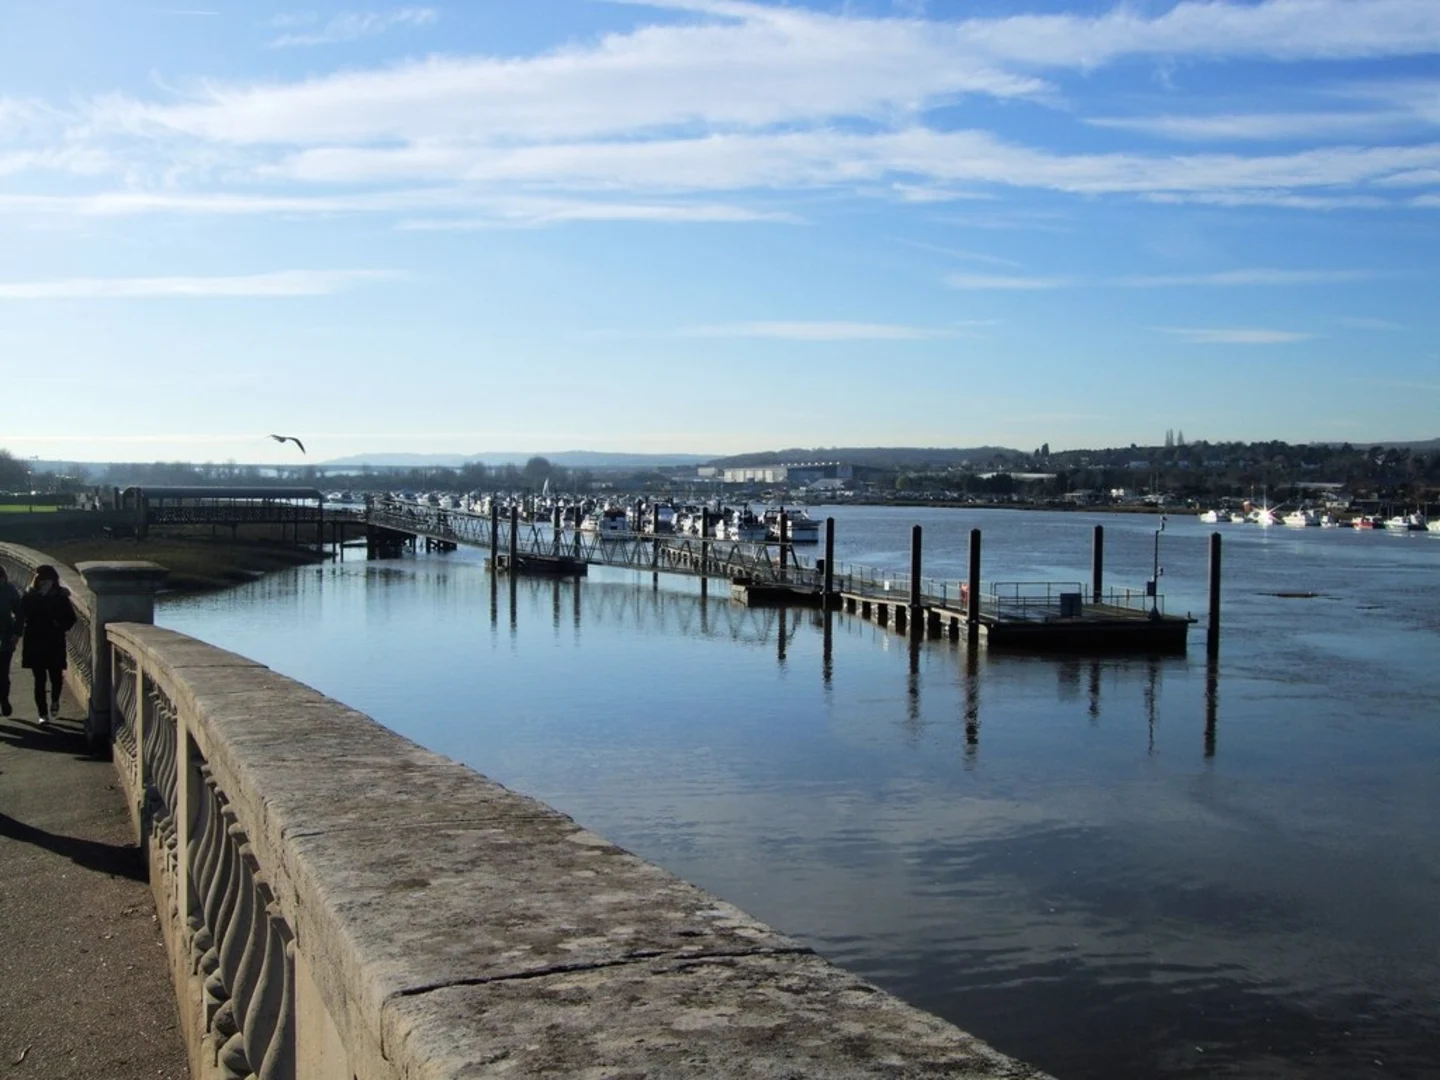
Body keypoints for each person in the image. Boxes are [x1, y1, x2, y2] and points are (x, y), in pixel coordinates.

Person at [20, 564, 77, 725]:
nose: (43, 582)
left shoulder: (60, 597)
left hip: (54, 642)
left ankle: (55, 701)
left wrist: (59, 624)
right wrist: (40, 598)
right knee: (39, 680)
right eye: (40, 580)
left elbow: (71, 619)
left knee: (56, 677)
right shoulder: (29, 596)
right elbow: (22, 614)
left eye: (47, 580)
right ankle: (43, 714)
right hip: (35, 641)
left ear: (54, 581)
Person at [0, 566, 23, 717]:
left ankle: (3, 699)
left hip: (5, 638)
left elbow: (20, 614)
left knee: (2, 673)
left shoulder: (9, 590)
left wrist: (16, 634)